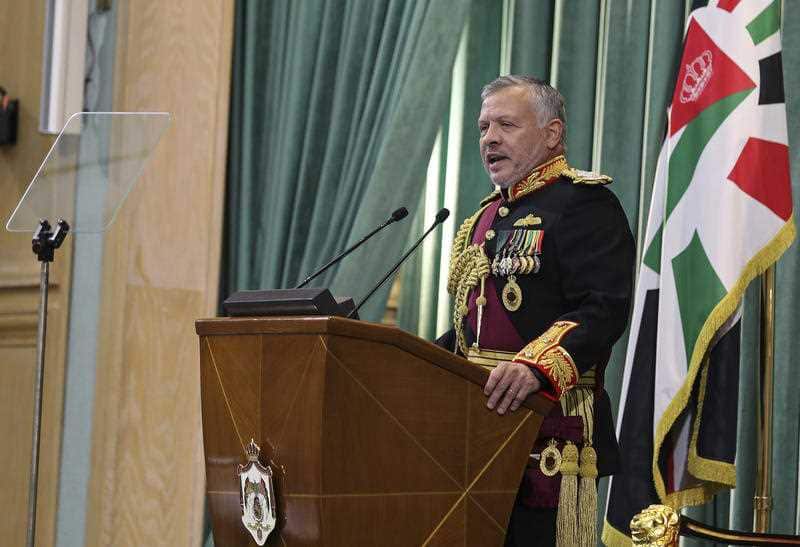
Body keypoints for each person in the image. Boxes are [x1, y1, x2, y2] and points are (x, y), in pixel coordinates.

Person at [439, 75, 635, 547]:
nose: (490, 137)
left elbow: (603, 308)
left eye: (506, 124)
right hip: (475, 428)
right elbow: (472, 334)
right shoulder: (483, 218)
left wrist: (535, 366)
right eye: (484, 126)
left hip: (546, 426)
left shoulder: (585, 203)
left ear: (552, 134)